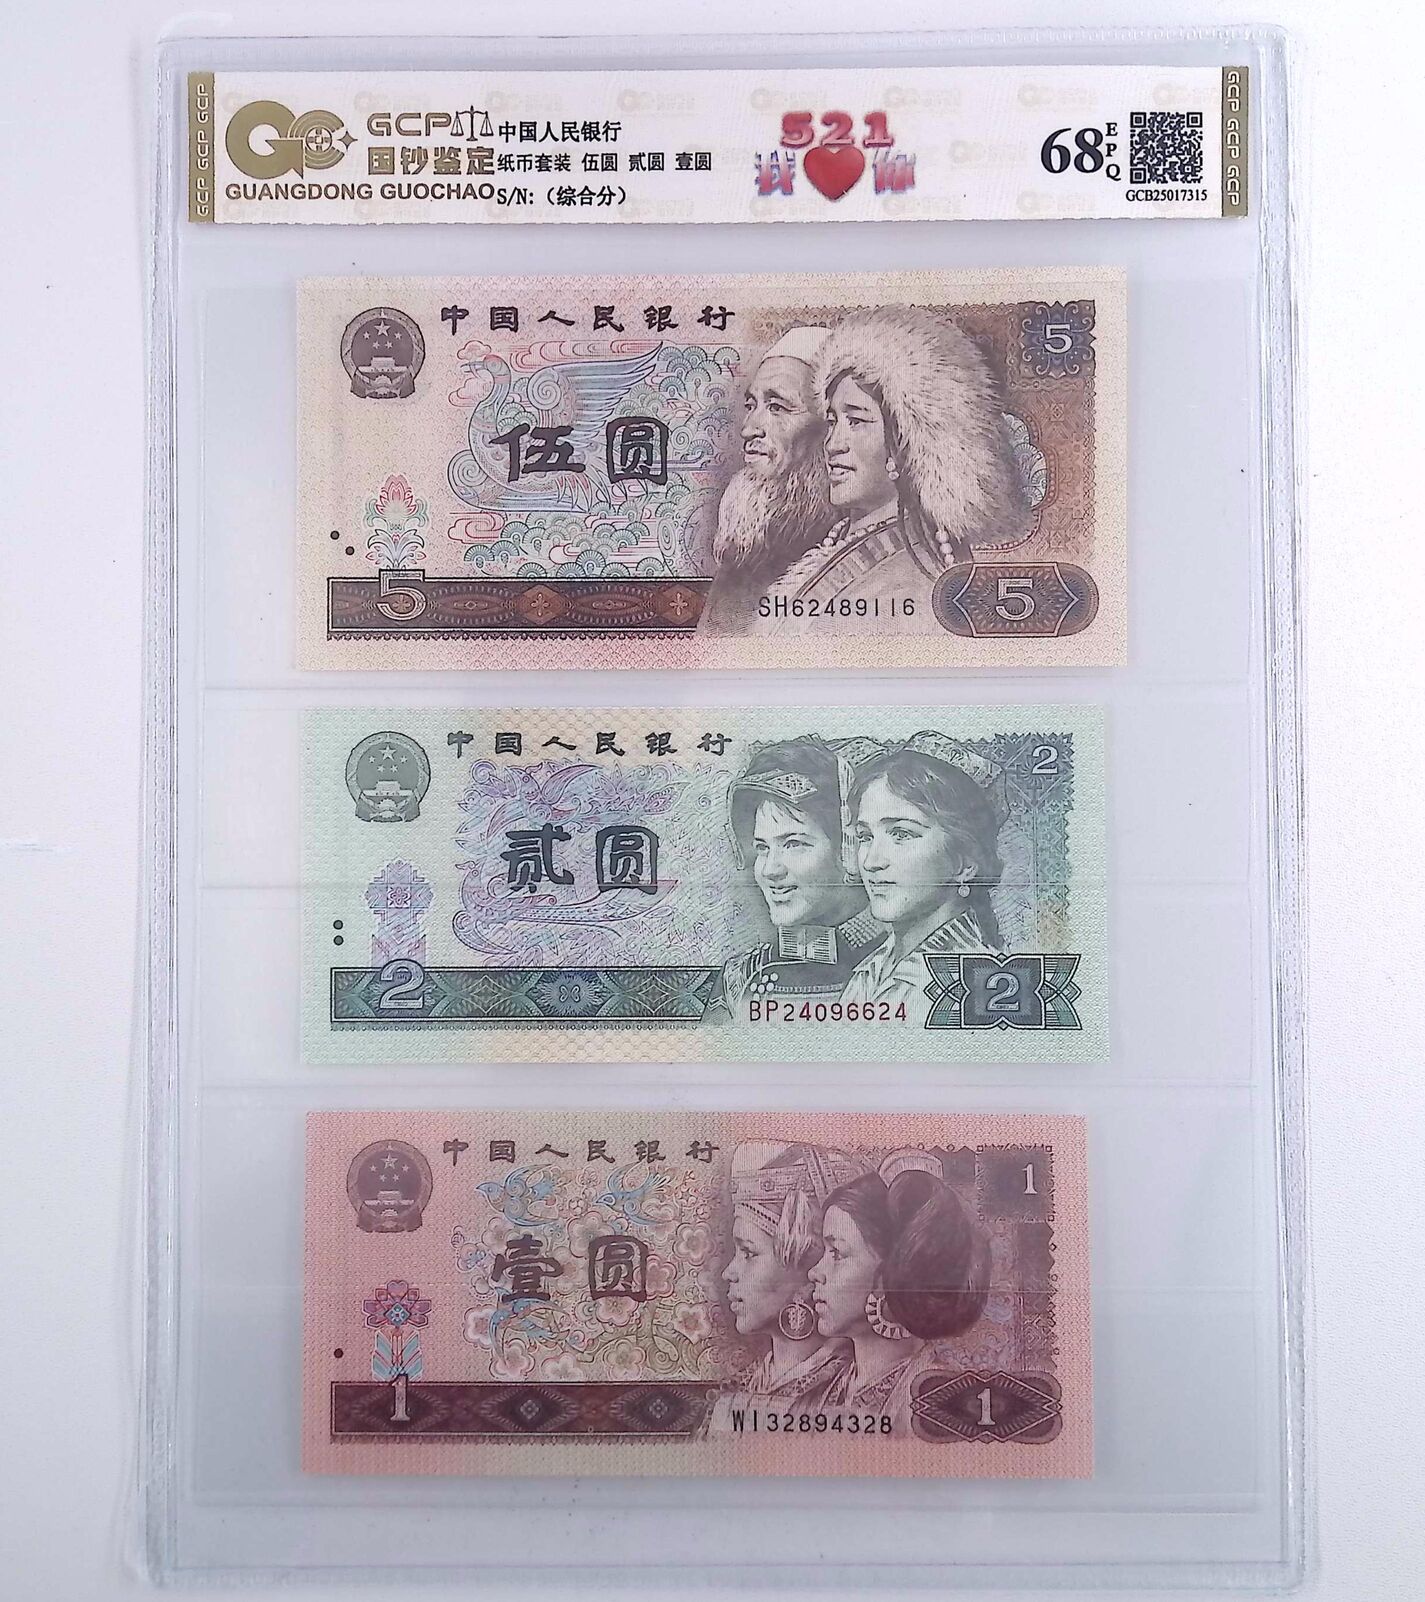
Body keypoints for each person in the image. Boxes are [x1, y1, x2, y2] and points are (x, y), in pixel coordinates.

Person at [756, 306, 1028, 631]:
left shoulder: (913, 578)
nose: (833, 443)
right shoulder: (843, 539)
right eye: (832, 421)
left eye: (856, 421)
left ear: (904, 443)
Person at [807, 1150, 990, 1432]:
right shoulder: (820, 1390)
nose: (814, 1272)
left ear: (894, 1271)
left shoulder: (938, 1403)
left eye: (837, 1253)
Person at [710, 737, 881, 1018]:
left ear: (848, 848)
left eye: (793, 844)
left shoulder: (904, 966)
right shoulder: (742, 977)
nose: (770, 870)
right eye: (762, 848)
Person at [840, 736, 1006, 1023]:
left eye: (901, 834)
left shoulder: (975, 985)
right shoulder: (871, 969)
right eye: (865, 837)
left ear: (964, 862)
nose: (870, 862)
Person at [702, 326, 837, 632]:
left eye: (777, 407)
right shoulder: (745, 555)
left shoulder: (852, 545)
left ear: (830, 427)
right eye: (751, 406)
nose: (749, 428)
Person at [710, 1143, 855, 1415]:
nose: (728, 1273)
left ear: (808, 1269)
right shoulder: (746, 1386)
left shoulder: (850, 1393)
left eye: (748, 1253)